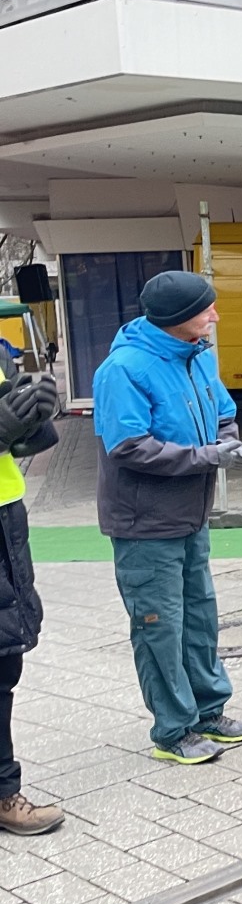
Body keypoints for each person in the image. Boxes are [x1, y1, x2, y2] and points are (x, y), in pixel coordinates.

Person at [93, 271, 242, 764]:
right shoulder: (123, 369)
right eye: (206, 308)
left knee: (199, 617)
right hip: (144, 524)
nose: (215, 315)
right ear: (176, 318)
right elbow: (128, 447)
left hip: (190, 516)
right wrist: (208, 457)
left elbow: (224, 411)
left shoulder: (197, 357)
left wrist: (226, 439)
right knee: (158, 627)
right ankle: (173, 731)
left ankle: (209, 712)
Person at [0, 357, 63, 832]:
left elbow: (17, 434)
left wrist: (37, 415)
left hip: (5, 517)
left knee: (4, 664)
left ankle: (3, 792)